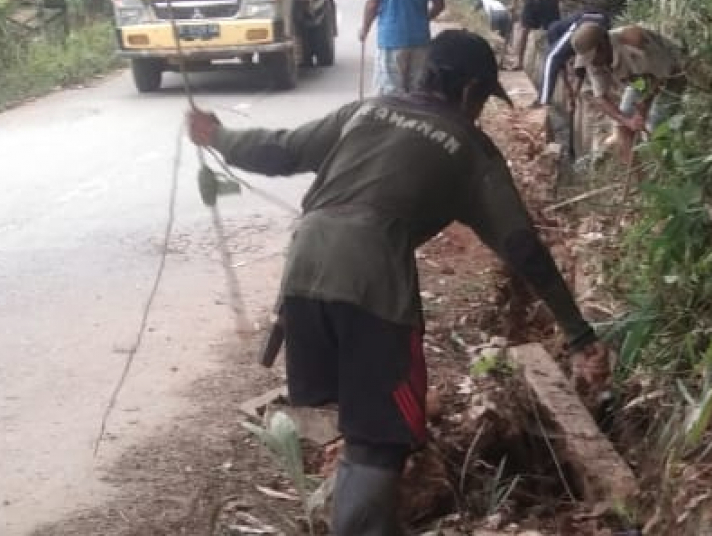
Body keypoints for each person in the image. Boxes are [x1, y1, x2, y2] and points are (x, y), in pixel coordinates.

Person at [186, 30, 610, 536]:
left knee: (355, 416)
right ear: (471, 90)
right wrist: (580, 335)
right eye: (481, 99)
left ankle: (360, 512)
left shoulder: (366, 111)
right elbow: (522, 249)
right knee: (379, 439)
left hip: (303, 269)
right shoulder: (469, 149)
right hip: (373, 283)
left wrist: (220, 137)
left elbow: (282, 151)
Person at [570, 22, 684, 163]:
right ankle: (638, 177)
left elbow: (663, 73)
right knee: (621, 127)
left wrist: (644, 105)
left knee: (655, 125)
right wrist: (627, 121)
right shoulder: (594, 61)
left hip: (670, 72)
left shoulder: (633, 40)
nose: (591, 63)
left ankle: (668, 167)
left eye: (593, 57)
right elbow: (601, 98)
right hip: (639, 80)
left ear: (603, 44)